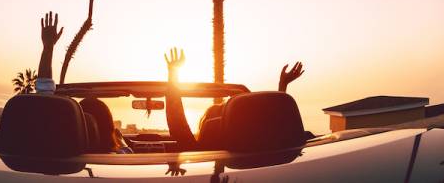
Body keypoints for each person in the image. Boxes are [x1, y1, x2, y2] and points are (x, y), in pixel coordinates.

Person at [163, 47, 306, 151]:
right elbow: (272, 124)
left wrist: (173, 72)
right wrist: (282, 86)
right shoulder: (263, 149)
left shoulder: (197, 153)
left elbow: (178, 122)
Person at [34, 12, 131, 153]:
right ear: (109, 128)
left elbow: (44, 96)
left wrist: (48, 47)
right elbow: (44, 92)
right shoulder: (123, 159)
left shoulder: (55, 153)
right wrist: (120, 141)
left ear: (74, 123)